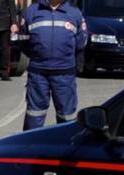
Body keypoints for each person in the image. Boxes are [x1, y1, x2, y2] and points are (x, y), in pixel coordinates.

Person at [19, 0, 88, 130]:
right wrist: (38, 56)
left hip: (64, 74)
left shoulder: (74, 13)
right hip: (38, 74)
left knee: (66, 115)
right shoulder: (31, 12)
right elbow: (23, 41)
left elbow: (81, 42)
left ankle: (65, 147)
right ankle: (31, 147)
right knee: (35, 114)